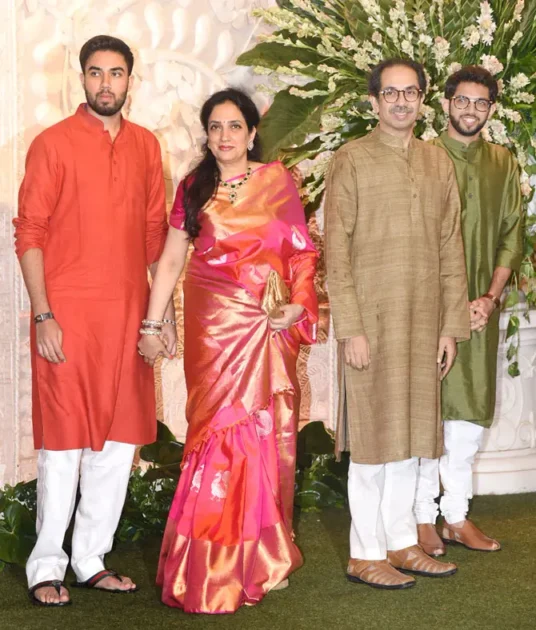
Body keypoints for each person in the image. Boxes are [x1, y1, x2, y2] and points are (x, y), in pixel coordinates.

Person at [138, 88, 318, 614]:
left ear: (253, 131)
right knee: (217, 434)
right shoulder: (194, 187)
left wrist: (299, 306)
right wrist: (154, 321)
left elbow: (302, 254)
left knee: (260, 430)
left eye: (234, 126)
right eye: (215, 127)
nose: (224, 136)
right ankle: (210, 561)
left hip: (264, 327)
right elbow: (170, 261)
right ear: (207, 134)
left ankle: (260, 556)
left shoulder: (278, 181)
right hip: (212, 330)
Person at [14, 35, 173, 607]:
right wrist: (44, 314)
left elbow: (157, 239)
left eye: (117, 73)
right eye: (96, 73)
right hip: (68, 319)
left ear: (132, 79)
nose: (107, 84)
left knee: (117, 444)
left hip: (129, 319)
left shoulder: (147, 147)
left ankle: (90, 559)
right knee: (64, 445)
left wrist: (163, 317)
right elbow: (28, 233)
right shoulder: (53, 144)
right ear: (81, 79)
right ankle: (46, 564)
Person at [324, 58, 470, 590]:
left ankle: (402, 541)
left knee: (411, 434)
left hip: (423, 318)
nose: (402, 102)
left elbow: (450, 247)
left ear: (423, 100)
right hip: (373, 320)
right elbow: (334, 250)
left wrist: (449, 327)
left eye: (411, 93)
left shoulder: (437, 164)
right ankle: (365, 551)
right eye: (391, 93)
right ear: (374, 101)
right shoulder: (352, 160)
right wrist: (351, 328)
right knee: (372, 435)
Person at [414, 66, 523, 556]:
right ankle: (421, 517)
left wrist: (489, 298)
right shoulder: (421, 156)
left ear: (491, 110)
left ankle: (456, 515)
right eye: (463, 101)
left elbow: (511, 236)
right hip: (426, 311)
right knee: (425, 412)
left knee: (469, 415)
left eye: (481, 103)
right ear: (446, 103)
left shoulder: (504, 163)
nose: (471, 110)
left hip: (481, 310)